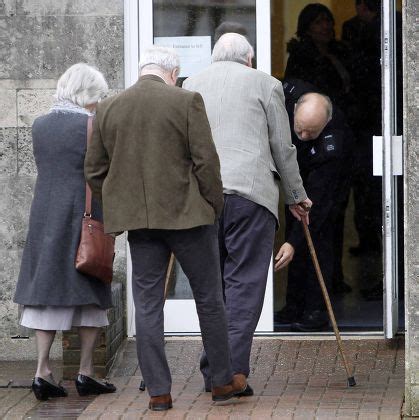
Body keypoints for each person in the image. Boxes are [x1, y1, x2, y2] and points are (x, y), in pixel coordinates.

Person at [84, 46, 247, 411]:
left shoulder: (109, 107)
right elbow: (207, 162)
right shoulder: (186, 101)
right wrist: (213, 205)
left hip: (141, 224)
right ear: (172, 72)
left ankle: (159, 391)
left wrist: (121, 204)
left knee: (147, 305)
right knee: (209, 299)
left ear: (143, 70)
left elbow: (94, 171)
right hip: (189, 218)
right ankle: (222, 382)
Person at [183, 33, 311, 394]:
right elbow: (281, 147)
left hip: (202, 197)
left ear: (215, 57)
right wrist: (296, 196)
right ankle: (228, 375)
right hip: (250, 195)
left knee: (213, 289)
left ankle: (215, 368)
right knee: (243, 287)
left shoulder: (191, 83)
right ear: (249, 59)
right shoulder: (266, 84)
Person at [13, 63, 116, 401]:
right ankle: (86, 372)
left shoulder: (40, 125)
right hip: (84, 214)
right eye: (97, 96)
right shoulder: (91, 125)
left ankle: (42, 371)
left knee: (48, 288)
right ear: (87, 94)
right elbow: (103, 170)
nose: (99, 103)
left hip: (45, 212)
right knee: (90, 285)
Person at [275, 81, 354, 331]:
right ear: (295, 109)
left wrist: (293, 242)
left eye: (311, 132)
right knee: (294, 240)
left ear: (325, 124)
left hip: (326, 188)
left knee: (317, 242)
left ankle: (315, 311)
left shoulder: (334, 143)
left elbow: (317, 204)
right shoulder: (287, 97)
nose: (304, 136)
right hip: (296, 172)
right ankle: (293, 306)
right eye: (300, 129)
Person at [284, 3, 355, 122]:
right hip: (315, 119)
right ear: (307, 29)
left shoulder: (342, 52)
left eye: (328, 21)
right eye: (318, 22)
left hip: (343, 118)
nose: (325, 26)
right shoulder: (301, 57)